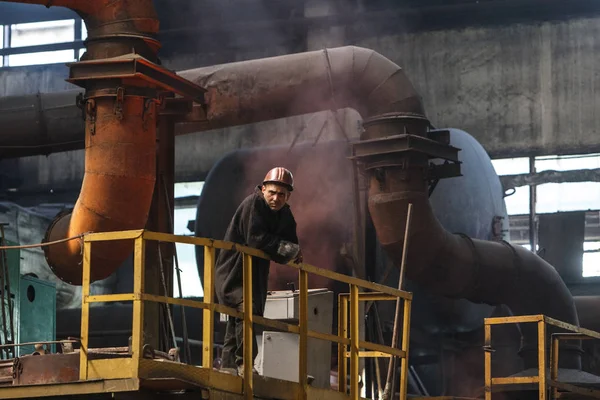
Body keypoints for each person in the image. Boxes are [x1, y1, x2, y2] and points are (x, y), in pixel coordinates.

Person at [215, 167, 302, 377]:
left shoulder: (284, 214)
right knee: (246, 314)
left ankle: (228, 366)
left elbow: (291, 244)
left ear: (288, 196)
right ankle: (245, 365)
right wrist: (288, 250)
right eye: (272, 192)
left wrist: (292, 251)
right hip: (234, 269)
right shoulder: (254, 203)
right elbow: (256, 239)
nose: (275, 198)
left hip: (255, 272)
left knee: (240, 316)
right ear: (263, 189)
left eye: (281, 194)